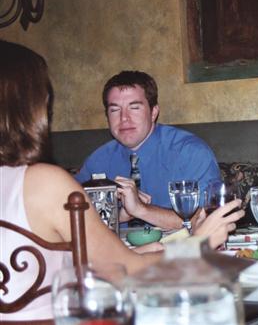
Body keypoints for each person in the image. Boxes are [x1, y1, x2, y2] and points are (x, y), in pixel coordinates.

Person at [0, 40, 244, 322]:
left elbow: (72, 257)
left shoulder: (187, 150)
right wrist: (199, 244)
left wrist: (139, 246)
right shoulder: (45, 181)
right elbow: (126, 274)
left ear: (154, 111)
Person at [75, 71, 222, 229]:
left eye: (134, 108)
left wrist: (141, 210)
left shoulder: (190, 152)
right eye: (115, 110)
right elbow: (68, 215)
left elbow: (205, 219)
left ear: (153, 112)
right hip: (116, 252)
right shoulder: (98, 161)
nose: (124, 118)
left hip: (180, 251)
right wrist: (117, 216)